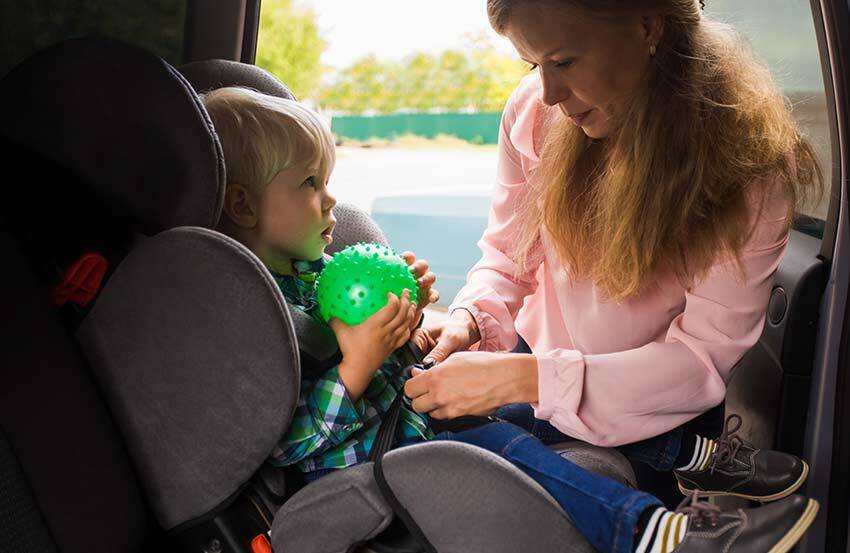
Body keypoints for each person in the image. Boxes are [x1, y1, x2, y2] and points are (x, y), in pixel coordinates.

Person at [201, 85, 818, 553]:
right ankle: (656, 533)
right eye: (311, 183)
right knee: (505, 440)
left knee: (544, 404)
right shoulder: (250, 313)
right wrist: (360, 362)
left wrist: (405, 321)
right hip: (379, 451)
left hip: (404, 410)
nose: (331, 199)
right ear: (242, 204)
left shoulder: (317, 271)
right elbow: (288, 445)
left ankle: (692, 451)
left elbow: (383, 350)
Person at [404, 0, 823, 502]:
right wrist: (470, 318)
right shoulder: (532, 114)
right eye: (533, 66)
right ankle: (687, 454)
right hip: (531, 365)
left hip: (657, 401)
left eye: (563, 62)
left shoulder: (748, 170)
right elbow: (508, 257)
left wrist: (529, 381)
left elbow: (700, 360)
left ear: (647, 26)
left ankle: (682, 454)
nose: (550, 94)